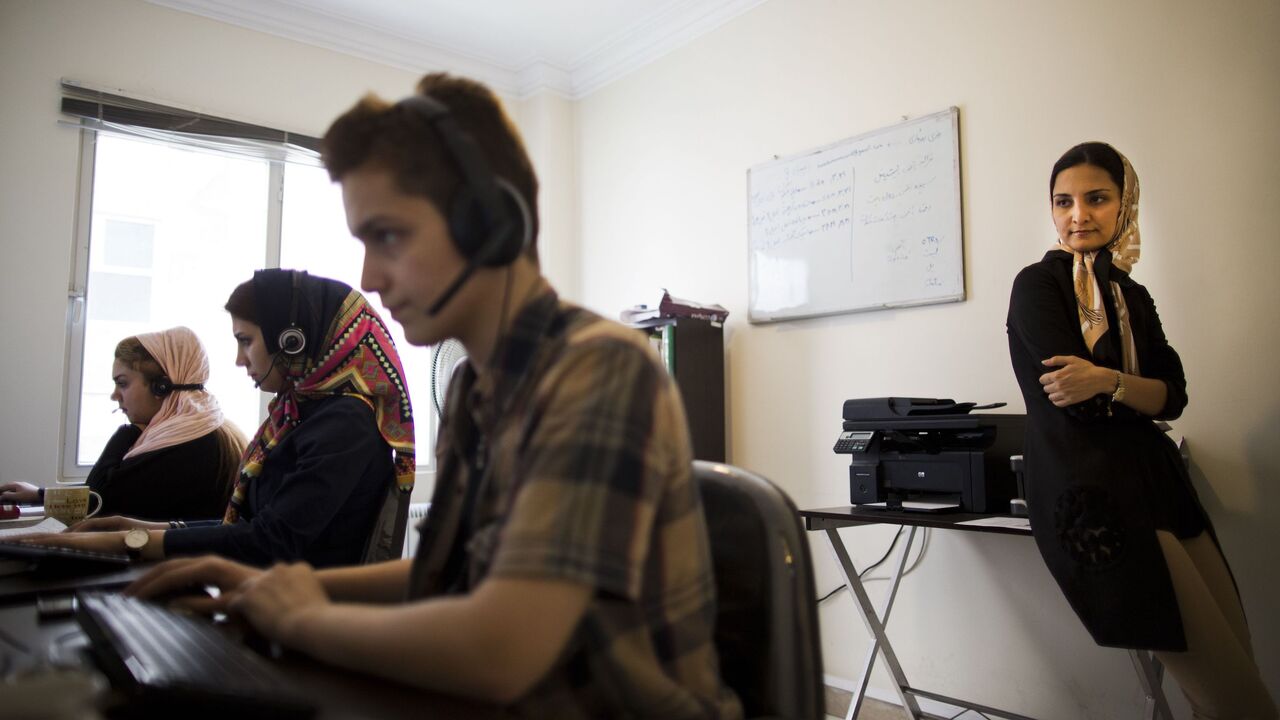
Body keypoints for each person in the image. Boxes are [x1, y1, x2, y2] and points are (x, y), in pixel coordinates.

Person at [128, 73, 741, 718]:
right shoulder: (476, 387)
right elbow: (447, 575)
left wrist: (302, 620)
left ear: (493, 225)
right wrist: (277, 587)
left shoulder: (601, 372)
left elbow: (503, 651)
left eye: (387, 235)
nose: (368, 277)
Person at [1006, 142, 1276, 719]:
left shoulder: (1133, 295)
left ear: (1125, 205)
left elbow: (1173, 396)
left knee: (1238, 660)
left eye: (1097, 199)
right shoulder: (1037, 286)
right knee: (1236, 698)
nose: (1078, 215)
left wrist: (1105, 378)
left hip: (1158, 480)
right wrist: (1130, 389)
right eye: (1064, 202)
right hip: (1095, 492)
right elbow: (1077, 406)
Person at [29, 269, 416, 568]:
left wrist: (129, 542)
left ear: (291, 340)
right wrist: (135, 528)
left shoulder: (346, 423)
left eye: (246, 340)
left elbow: (270, 542)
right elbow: (245, 528)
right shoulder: (298, 415)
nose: (239, 359)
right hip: (268, 599)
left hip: (308, 622)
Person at [0, 327, 245, 521]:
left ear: (162, 386)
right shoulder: (203, 428)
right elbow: (123, 489)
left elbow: (98, 503)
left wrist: (127, 431)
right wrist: (41, 495)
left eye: (123, 383)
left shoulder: (186, 444)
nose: (115, 395)